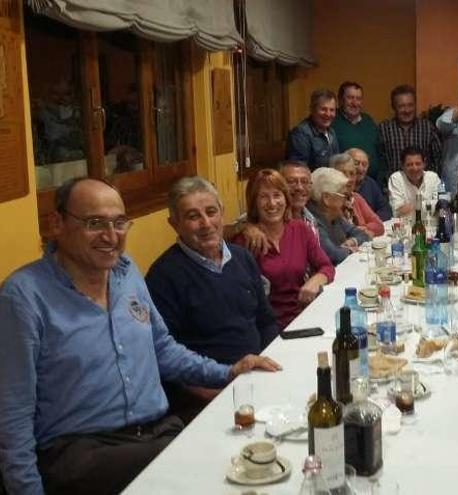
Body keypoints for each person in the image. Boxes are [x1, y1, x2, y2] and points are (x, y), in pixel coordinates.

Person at [0, 178, 279, 495]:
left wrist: (228, 372)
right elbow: (12, 414)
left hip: (157, 432)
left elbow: (162, 348)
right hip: (83, 452)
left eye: (119, 223)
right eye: (95, 223)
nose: (110, 236)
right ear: (57, 223)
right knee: (215, 470)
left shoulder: (126, 271)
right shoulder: (24, 296)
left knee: (256, 459)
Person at [146, 176, 278, 365]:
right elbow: (167, 358)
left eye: (211, 212)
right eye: (193, 216)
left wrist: (272, 362)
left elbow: (266, 321)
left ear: (222, 213)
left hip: (258, 370)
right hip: (213, 387)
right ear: (174, 224)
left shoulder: (242, 257)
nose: (206, 223)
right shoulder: (163, 277)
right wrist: (216, 392)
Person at [233, 169, 335, 329]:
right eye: (264, 197)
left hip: (304, 318)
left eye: (277, 195)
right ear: (254, 203)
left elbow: (327, 266)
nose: (272, 203)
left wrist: (316, 280)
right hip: (267, 328)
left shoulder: (300, 229)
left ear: (286, 199)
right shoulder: (246, 240)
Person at [308, 167, 370, 265]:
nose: (346, 200)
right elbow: (333, 255)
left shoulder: (334, 214)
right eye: (344, 195)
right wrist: (349, 251)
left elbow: (363, 234)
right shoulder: (312, 221)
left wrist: (352, 241)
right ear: (326, 198)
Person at [378, 84, 443, 177]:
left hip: (423, 187)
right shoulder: (384, 129)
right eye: (401, 106)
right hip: (394, 187)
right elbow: (381, 163)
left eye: (410, 105)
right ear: (394, 107)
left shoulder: (427, 127)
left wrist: (429, 181)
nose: (407, 110)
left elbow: (438, 158)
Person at [331, 82, 384, 182]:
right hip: (344, 183)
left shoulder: (368, 121)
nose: (355, 103)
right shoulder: (332, 122)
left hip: (370, 183)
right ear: (340, 100)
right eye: (350, 98)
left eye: (358, 99)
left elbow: (380, 151)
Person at [329, 153, 384, 237]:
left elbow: (379, 226)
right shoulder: (329, 202)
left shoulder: (356, 198)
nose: (349, 179)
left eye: (352, 174)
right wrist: (363, 231)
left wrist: (362, 229)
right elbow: (341, 237)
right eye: (343, 174)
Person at [285, 88, 339, 169]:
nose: (328, 114)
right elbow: (299, 170)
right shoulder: (300, 134)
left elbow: (337, 163)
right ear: (312, 109)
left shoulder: (331, 132)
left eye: (332, 110)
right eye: (323, 109)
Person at [388, 145, 441, 218]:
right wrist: (430, 205)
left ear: (424, 164)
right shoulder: (396, 179)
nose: (415, 168)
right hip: (406, 226)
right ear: (402, 166)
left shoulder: (433, 177)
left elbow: (441, 207)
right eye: (409, 165)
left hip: (431, 225)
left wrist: (412, 207)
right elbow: (398, 212)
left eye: (418, 164)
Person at [348, 147, 392, 220]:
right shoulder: (340, 186)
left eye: (364, 164)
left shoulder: (370, 183)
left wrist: (371, 221)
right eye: (356, 163)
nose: (361, 168)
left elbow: (385, 209)